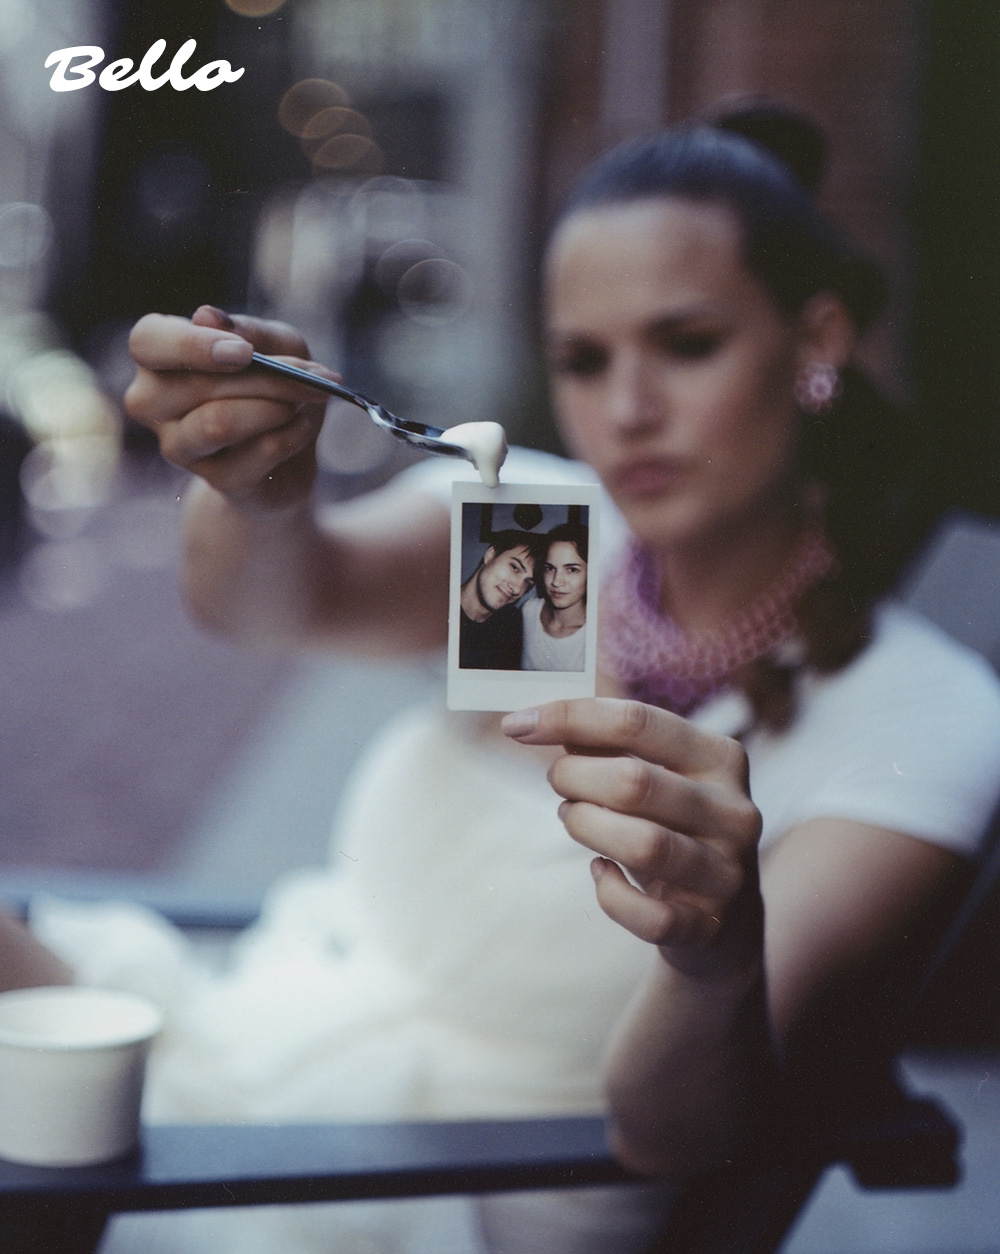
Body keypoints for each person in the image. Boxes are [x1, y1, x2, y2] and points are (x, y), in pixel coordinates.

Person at [7, 99, 1000, 1254]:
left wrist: (711, 961)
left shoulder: (915, 718)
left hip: (417, 1198)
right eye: (583, 358)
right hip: (263, 1048)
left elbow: (678, 1131)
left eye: (685, 343)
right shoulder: (547, 543)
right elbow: (270, 602)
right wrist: (257, 484)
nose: (625, 411)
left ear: (815, 342)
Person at [459, 529, 537, 669]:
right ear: (490, 555)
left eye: (527, 583)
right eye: (515, 568)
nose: (517, 589)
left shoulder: (510, 622)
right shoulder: (434, 607)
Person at [521, 523, 588, 671]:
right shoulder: (529, 610)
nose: (556, 582)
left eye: (572, 570)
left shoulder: (598, 632)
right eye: (550, 568)